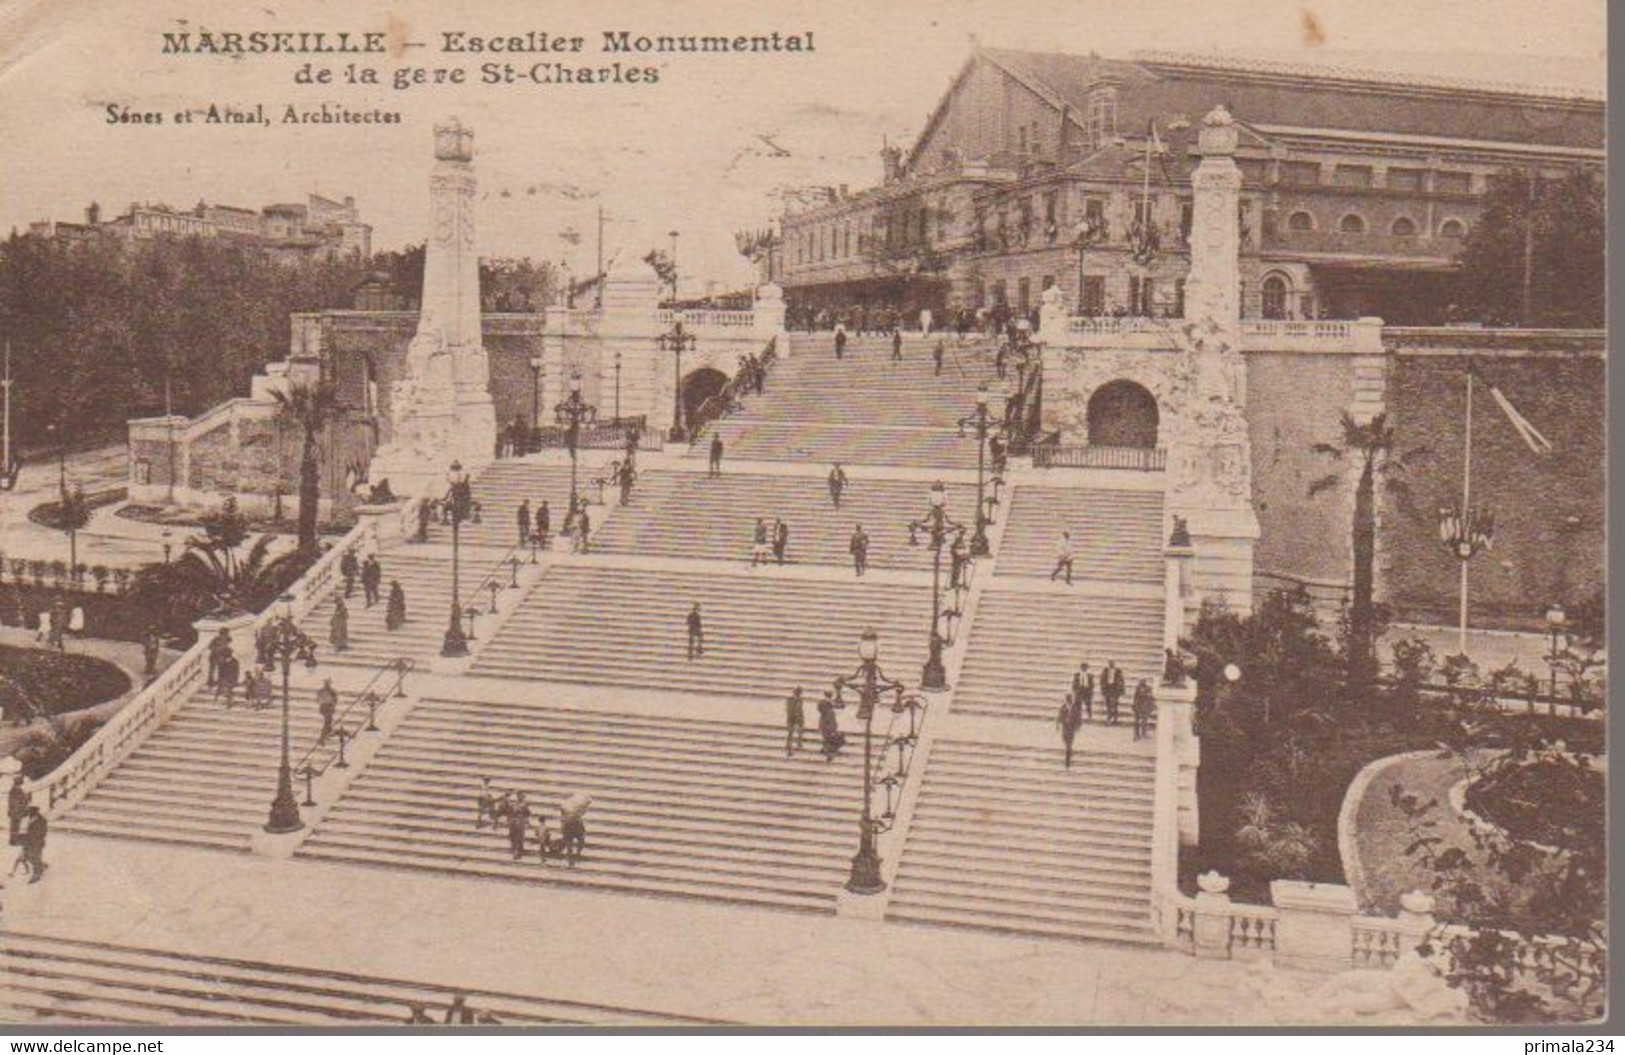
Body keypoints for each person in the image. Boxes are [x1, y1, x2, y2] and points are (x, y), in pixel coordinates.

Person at [18, 805, 46, 883]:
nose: (29, 812)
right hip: (29, 842)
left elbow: (41, 833)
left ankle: (36, 874)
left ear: (35, 811)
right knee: (26, 856)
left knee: (35, 857)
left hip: (37, 843)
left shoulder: (41, 820)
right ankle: (41, 865)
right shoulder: (31, 819)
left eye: (30, 811)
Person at [1057, 692, 1084, 768]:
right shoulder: (1063, 707)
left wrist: (1078, 726)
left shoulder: (1075, 708)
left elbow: (1079, 718)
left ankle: (1067, 761)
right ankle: (1068, 753)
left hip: (1071, 729)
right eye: (1067, 700)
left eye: (1069, 700)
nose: (1068, 702)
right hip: (1065, 728)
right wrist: (1058, 725)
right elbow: (1059, 716)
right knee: (1065, 741)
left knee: (1069, 745)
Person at [817, 693, 846, 761]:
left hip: (825, 725)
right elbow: (831, 720)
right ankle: (829, 754)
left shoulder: (828, 707)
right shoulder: (827, 708)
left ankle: (825, 750)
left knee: (826, 739)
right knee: (828, 739)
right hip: (827, 726)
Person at [506, 791, 532, 861]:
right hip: (514, 823)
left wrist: (525, 819)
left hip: (519, 823)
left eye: (522, 796)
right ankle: (517, 850)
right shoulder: (514, 804)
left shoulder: (523, 804)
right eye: (520, 796)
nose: (521, 797)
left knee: (518, 837)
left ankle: (517, 852)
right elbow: (509, 812)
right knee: (514, 836)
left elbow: (528, 813)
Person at [784, 687, 806, 757]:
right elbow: (790, 711)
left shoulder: (800, 700)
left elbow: (800, 710)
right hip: (792, 719)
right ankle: (789, 749)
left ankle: (799, 742)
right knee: (791, 733)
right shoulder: (790, 700)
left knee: (799, 731)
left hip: (798, 719)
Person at [316, 678, 339, 743]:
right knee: (327, 723)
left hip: (324, 708)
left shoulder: (320, 691)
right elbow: (335, 701)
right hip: (328, 708)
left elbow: (317, 700)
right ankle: (322, 738)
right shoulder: (332, 691)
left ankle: (328, 733)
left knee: (328, 722)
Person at [1102, 661, 1125, 725]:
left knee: (1114, 704)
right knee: (1108, 704)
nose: (1111, 665)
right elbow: (1102, 679)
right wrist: (1103, 689)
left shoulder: (1118, 671)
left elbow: (1122, 680)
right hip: (1108, 689)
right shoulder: (1105, 670)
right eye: (1110, 664)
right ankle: (1109, 718)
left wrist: (1122, 690)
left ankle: (1115, 719)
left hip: (1115, 689)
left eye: (1112, 663)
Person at [8, 774, 28, 845]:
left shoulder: (14, 790)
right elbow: (17, 802)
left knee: (14, 827)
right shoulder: (17, 791)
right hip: (17, 812)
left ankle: (13, 840)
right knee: (15, 827)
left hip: (15, 812)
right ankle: (14, 841)